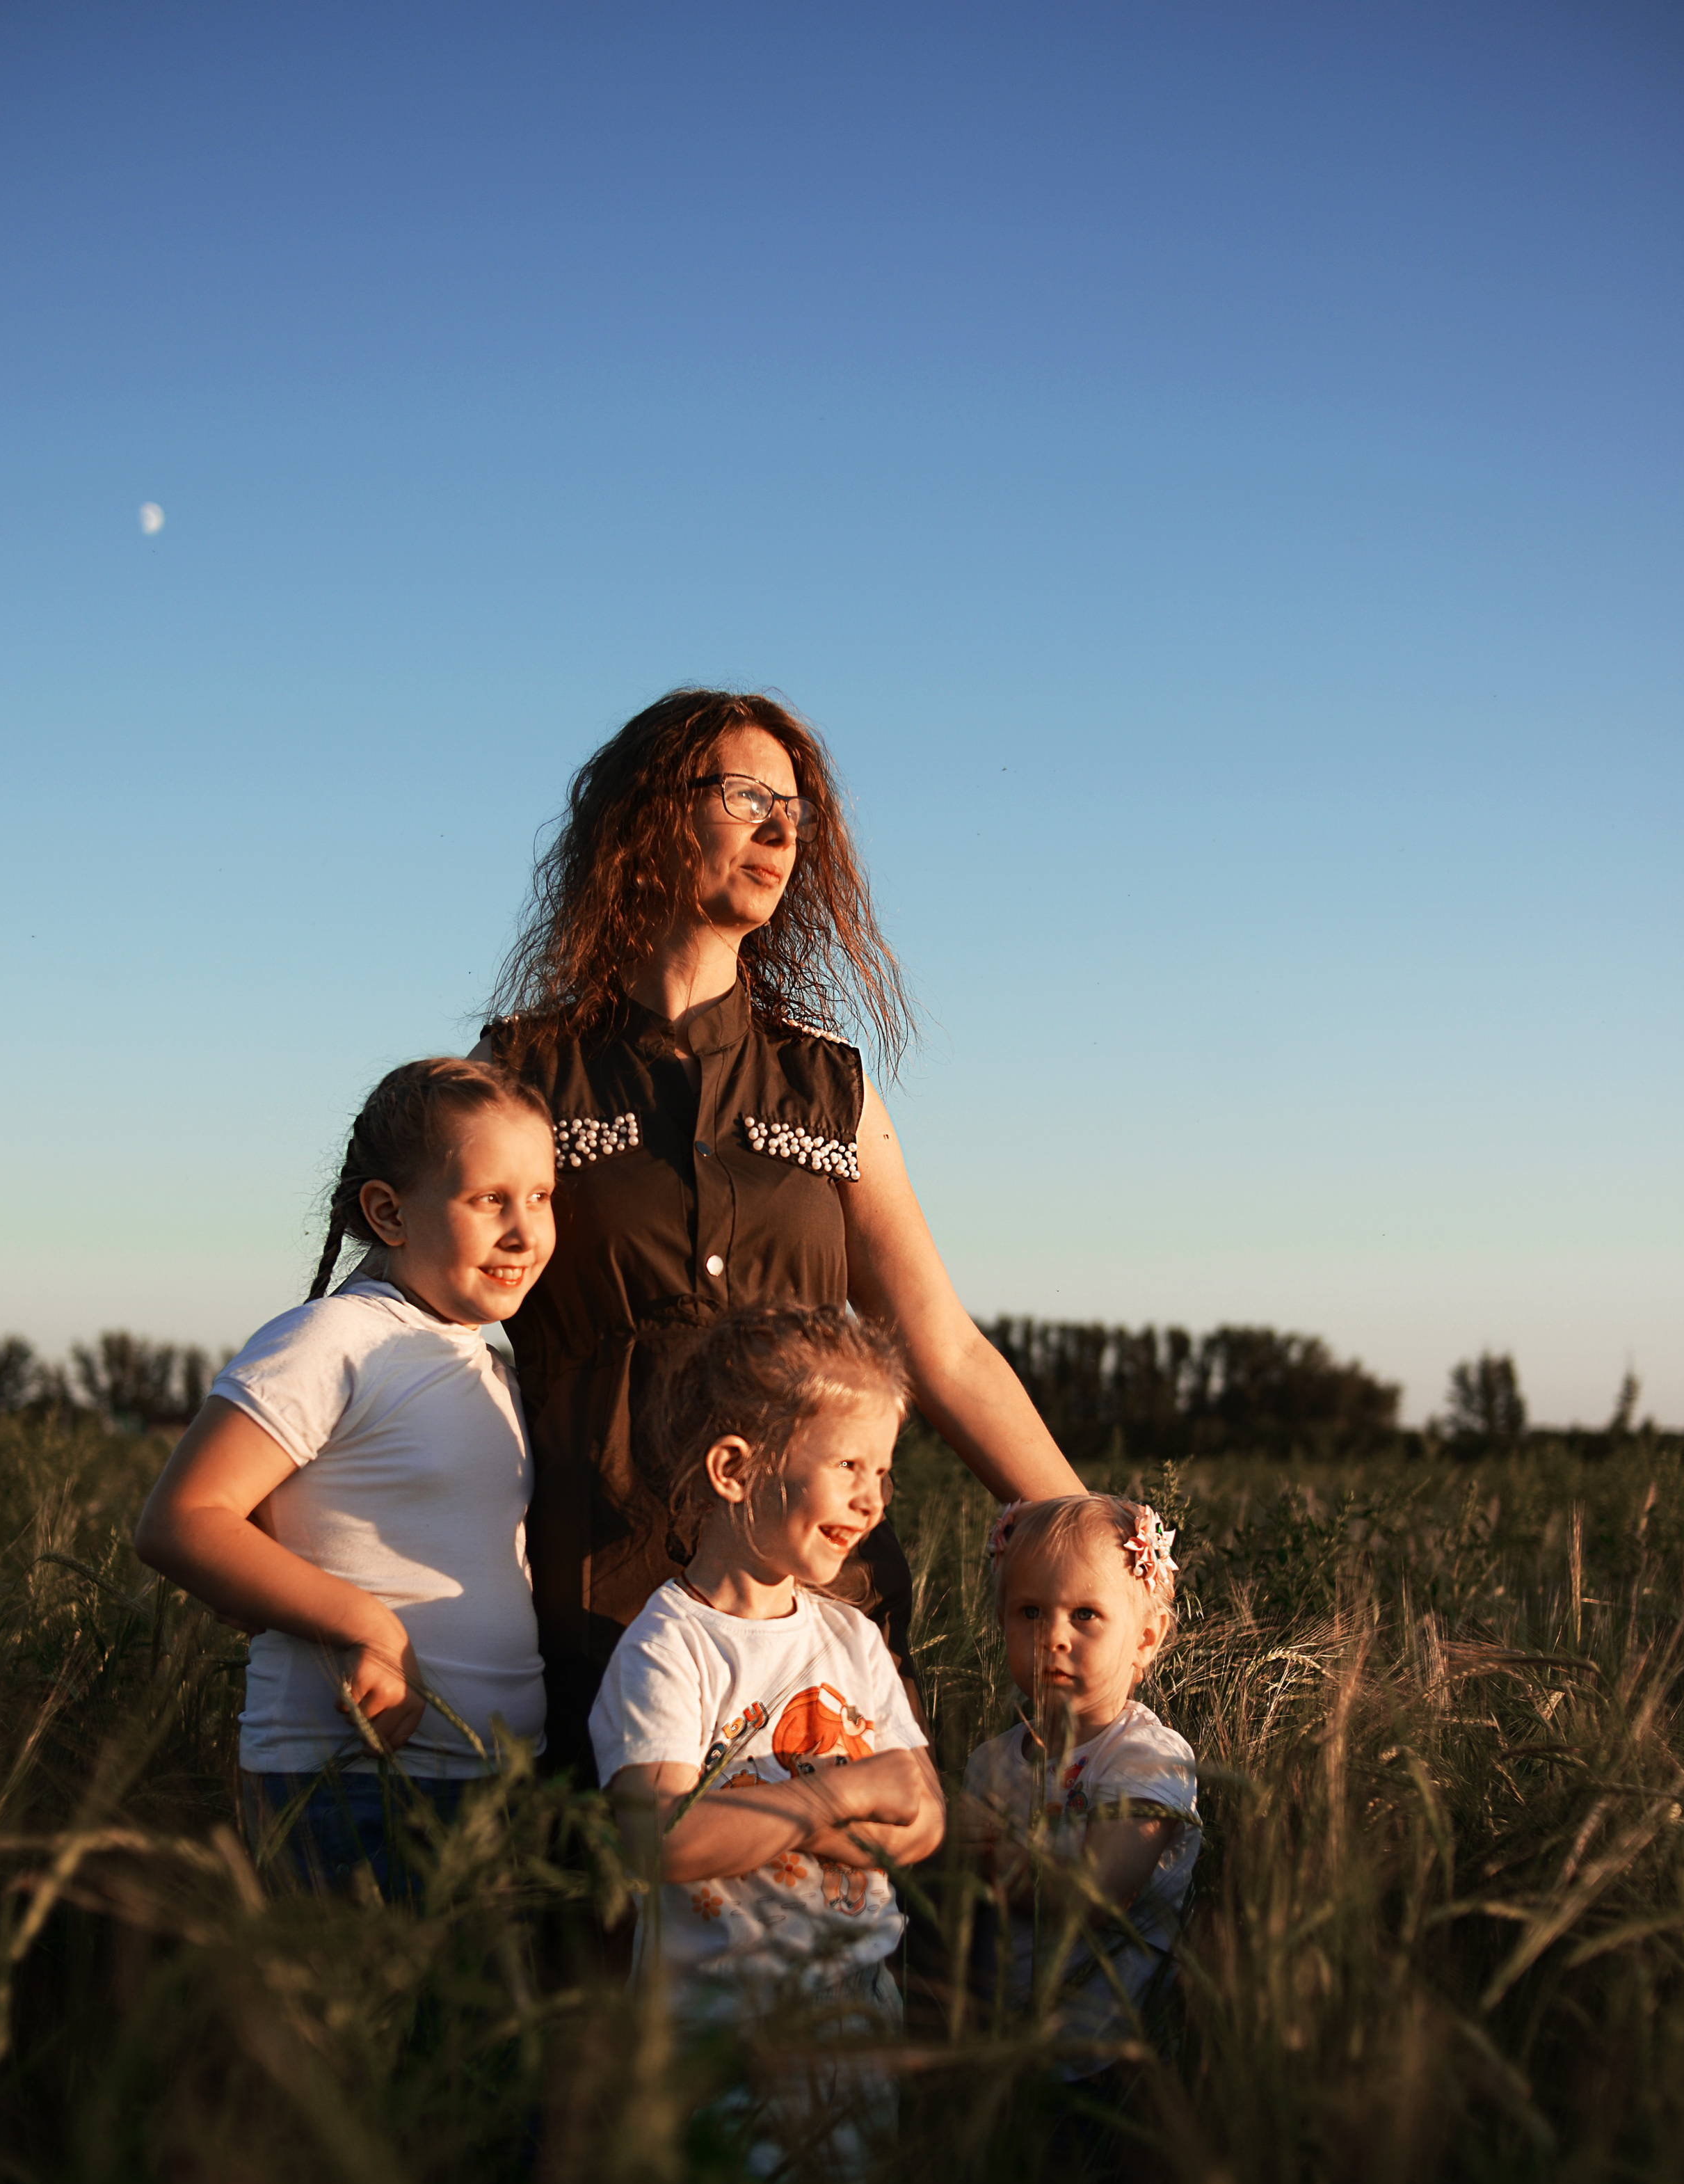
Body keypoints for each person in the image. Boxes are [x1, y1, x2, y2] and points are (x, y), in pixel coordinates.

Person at [474, 687, 1081, 1774]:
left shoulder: (830, 1086)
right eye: (747, 795)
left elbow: (939, 1345)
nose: (780, 830)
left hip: (816, 1586)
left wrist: (1087, 1534)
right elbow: (421, 1311)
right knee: (615, 1916)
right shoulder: (523, 1073)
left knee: (832, 1903)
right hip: (589, 1586)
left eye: (797, 810)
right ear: (652, 814)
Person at [135, 1056, 556, 1896]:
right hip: (355, 1781)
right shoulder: (332, 1341)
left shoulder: (483, 1362)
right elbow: (183, 1518)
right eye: (489, 1201)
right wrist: (367, 1628)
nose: (525, 1232)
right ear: (388, 1213)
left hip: (487, 1784)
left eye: (542, 1197)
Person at [591, 1303, 944, 2053]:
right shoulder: (668, 1648)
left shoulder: (851, 1638)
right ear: (735, 1470)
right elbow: (663, 1840)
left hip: (854, 2009)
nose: (873, 1497)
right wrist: (837, 1800)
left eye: (882, 1472)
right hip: (715, 2029)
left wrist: (763, 1824)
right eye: (848, 1465)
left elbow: (922, 1818)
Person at [960, 1493, 1200, 2073]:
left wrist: (974, 1847)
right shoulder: (991, 1762)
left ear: (1146, 1638)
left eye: (1085, 1615)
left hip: (1103, 2061)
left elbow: (1093, 1896)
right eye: (1031, 1613)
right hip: (995, 2046)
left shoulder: (1144, 1760)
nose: (1053, 1637)